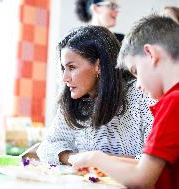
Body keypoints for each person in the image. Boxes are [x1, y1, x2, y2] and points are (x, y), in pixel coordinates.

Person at [68, 15, 179, 189]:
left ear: (150, 54)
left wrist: (94, 158)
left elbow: (142, 179)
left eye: (136, 71)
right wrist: (97, 159)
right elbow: (146, 165)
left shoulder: (174, 101)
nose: (139, 85)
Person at [36, 25, 155, 165]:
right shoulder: (73, 101)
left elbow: (155, 162)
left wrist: (96, 159)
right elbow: (46, 148)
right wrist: (75, 158)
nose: (65, 78)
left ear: (98, 66)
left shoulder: (142, 95)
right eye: (64, 68)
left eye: (72, 67)